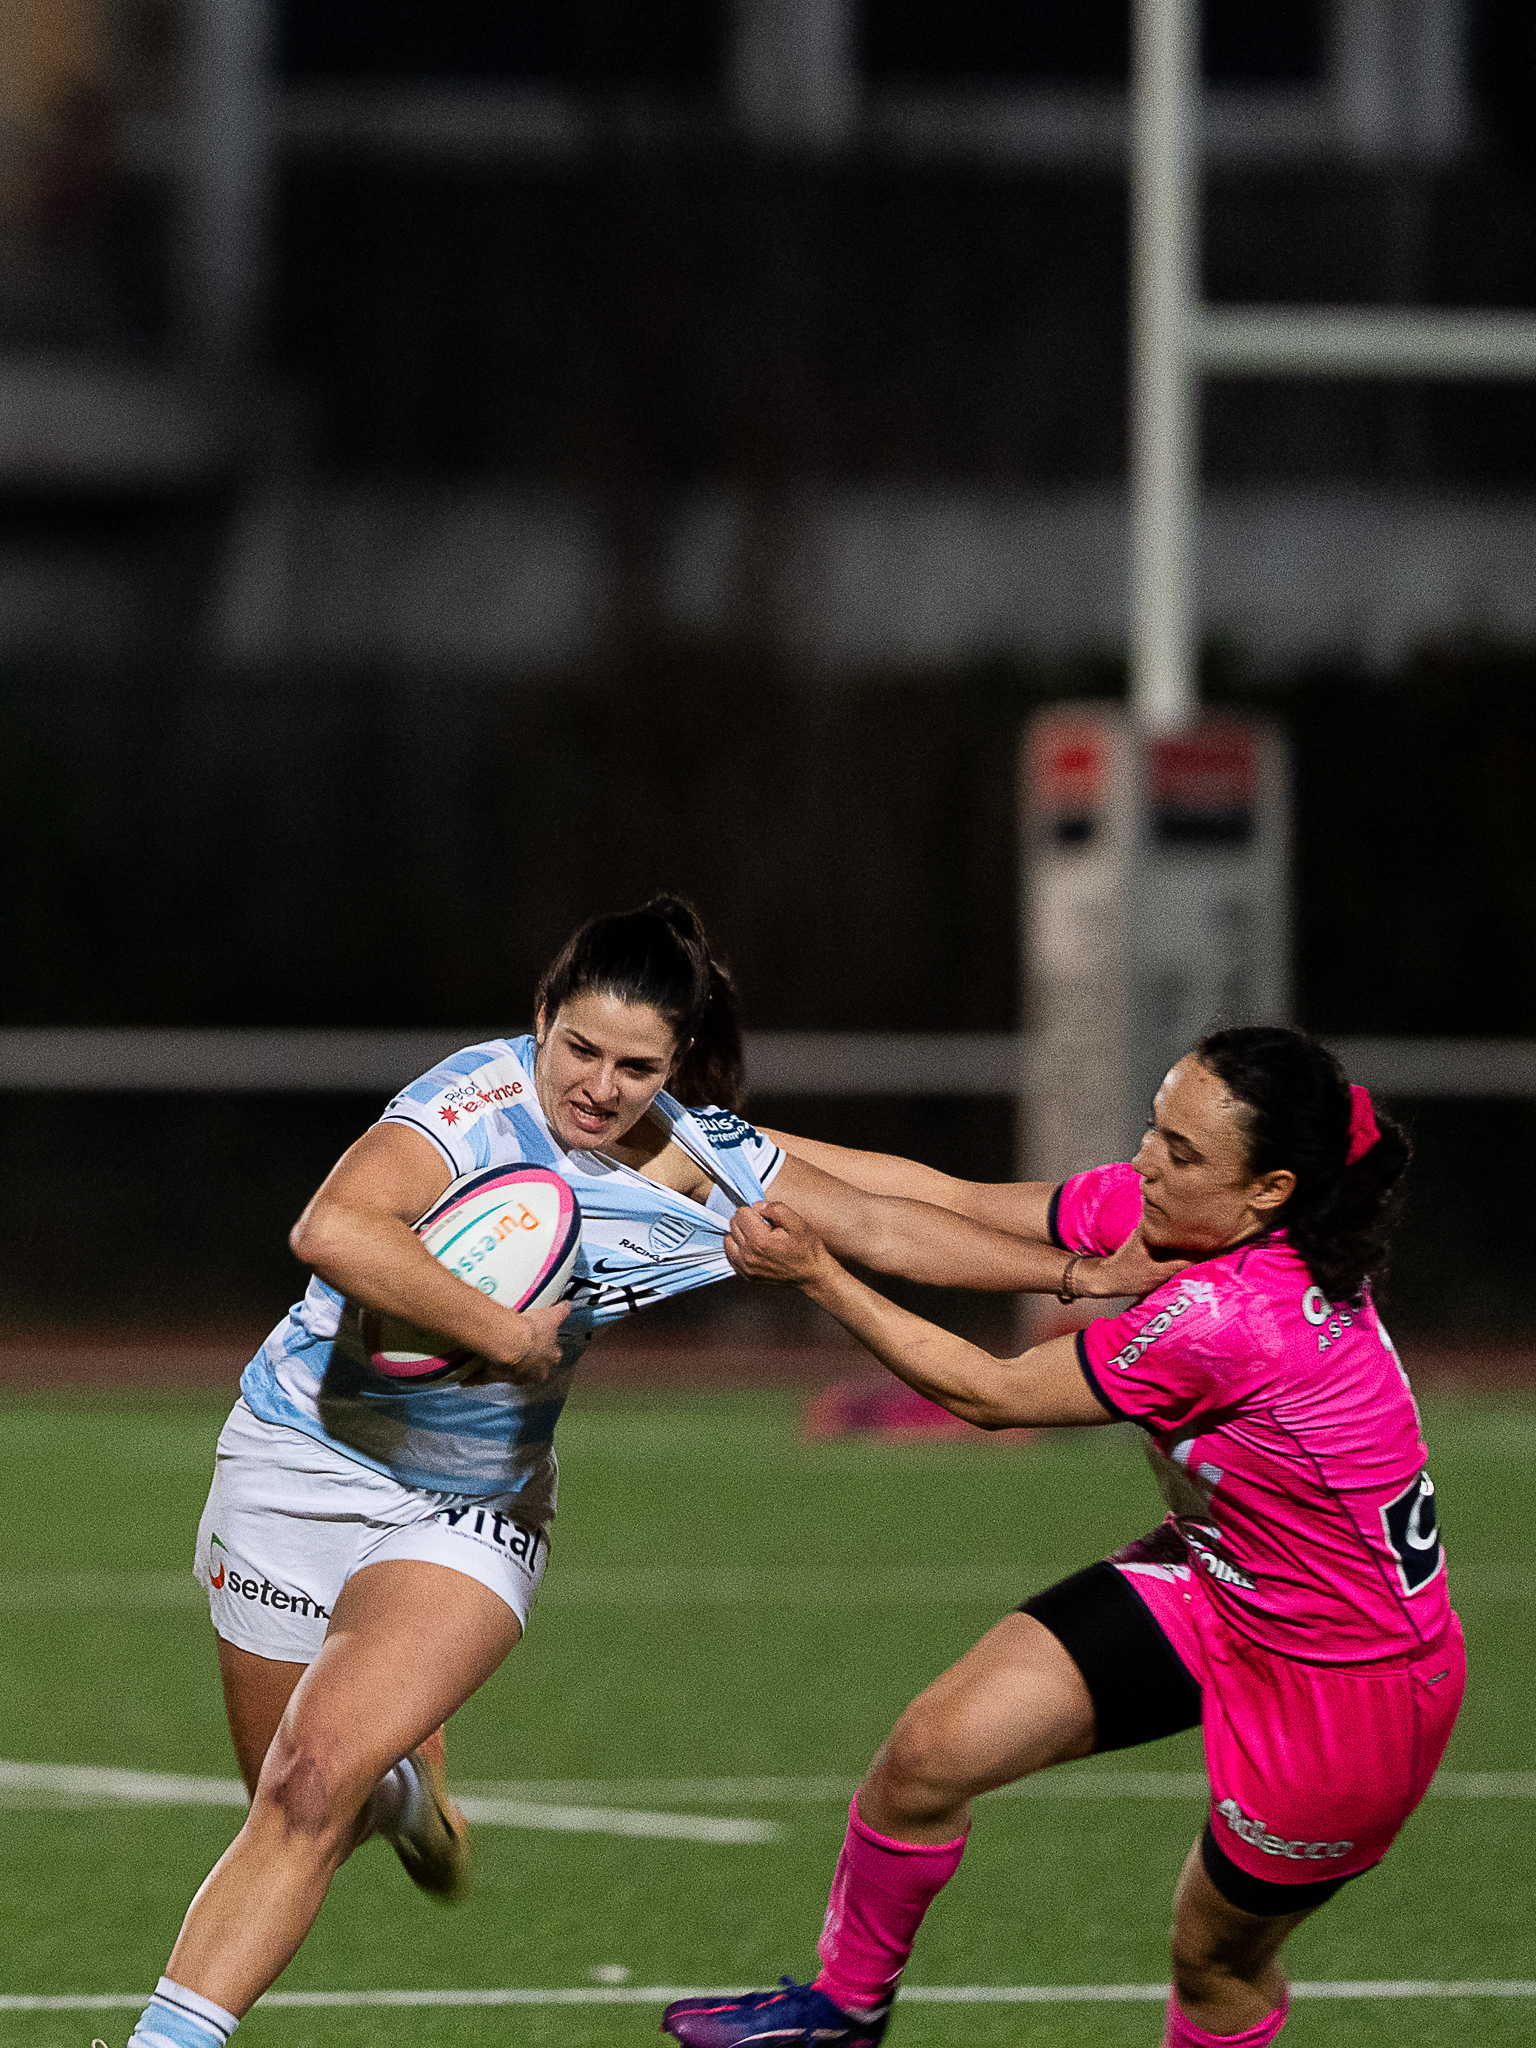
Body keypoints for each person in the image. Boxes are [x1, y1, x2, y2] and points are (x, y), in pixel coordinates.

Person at [123, 895, 1167, 2048]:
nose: (599, 1085)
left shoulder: (705, 1159)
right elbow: (334, 1227)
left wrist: (1082, 1275)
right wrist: (497, 1326)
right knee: (295, 1789)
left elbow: (884, 1224)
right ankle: (405, 1791)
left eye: (636, 1066)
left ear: (675, 1065)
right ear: (541, 1019)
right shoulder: (469, 1102)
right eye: (580, 1048)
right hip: (296, 1457)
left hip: (475, 1497)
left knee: (309, 1782)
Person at [663, 1026, 1464, 2048]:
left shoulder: (1237, 1317)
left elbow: (991, 1394)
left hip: (1349, 1685)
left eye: (1180, 1151)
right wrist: (702, 1136)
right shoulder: (1192, 1209)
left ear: (1268, 1191)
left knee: (1214, 1963)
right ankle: (844, 2014)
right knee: (928, 1757)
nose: (1144, 1162)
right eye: (1155, 1128)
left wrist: (818, 1275)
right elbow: (940, 1201)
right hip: (1217, 1577)